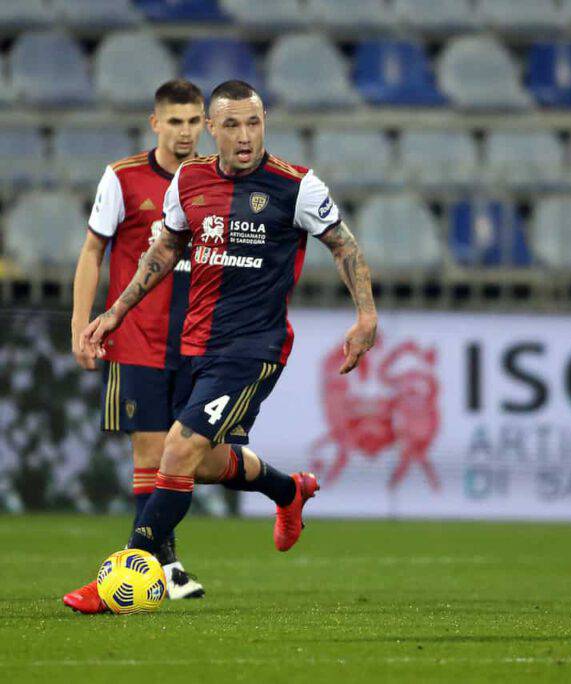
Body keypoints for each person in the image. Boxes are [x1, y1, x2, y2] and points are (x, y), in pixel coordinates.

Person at [73, 78, 379, 613]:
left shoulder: (297, 186)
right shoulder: (188, 180)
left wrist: (366, 314)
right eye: (232, 124)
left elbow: (343, 246)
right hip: (196, 344)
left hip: (253, 348)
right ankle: (288, 490)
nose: (244, 136)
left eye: (254, 122)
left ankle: (122, 577)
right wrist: (115, 311)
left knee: (177, 448)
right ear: (211, 129)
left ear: (265, 124)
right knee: (207, 463)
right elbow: (163, 251)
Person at [68, 79, 207, 602]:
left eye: (194, 121)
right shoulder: (122, 178)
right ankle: (161, 567)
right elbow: (91, 253)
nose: (186, 132)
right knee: (151, 454)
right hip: (138, 340)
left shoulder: (217, 182)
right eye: (175, 121)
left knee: (197, 458)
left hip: (198, 341)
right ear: (156, 124)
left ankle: (281, 487)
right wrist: (82, 323)